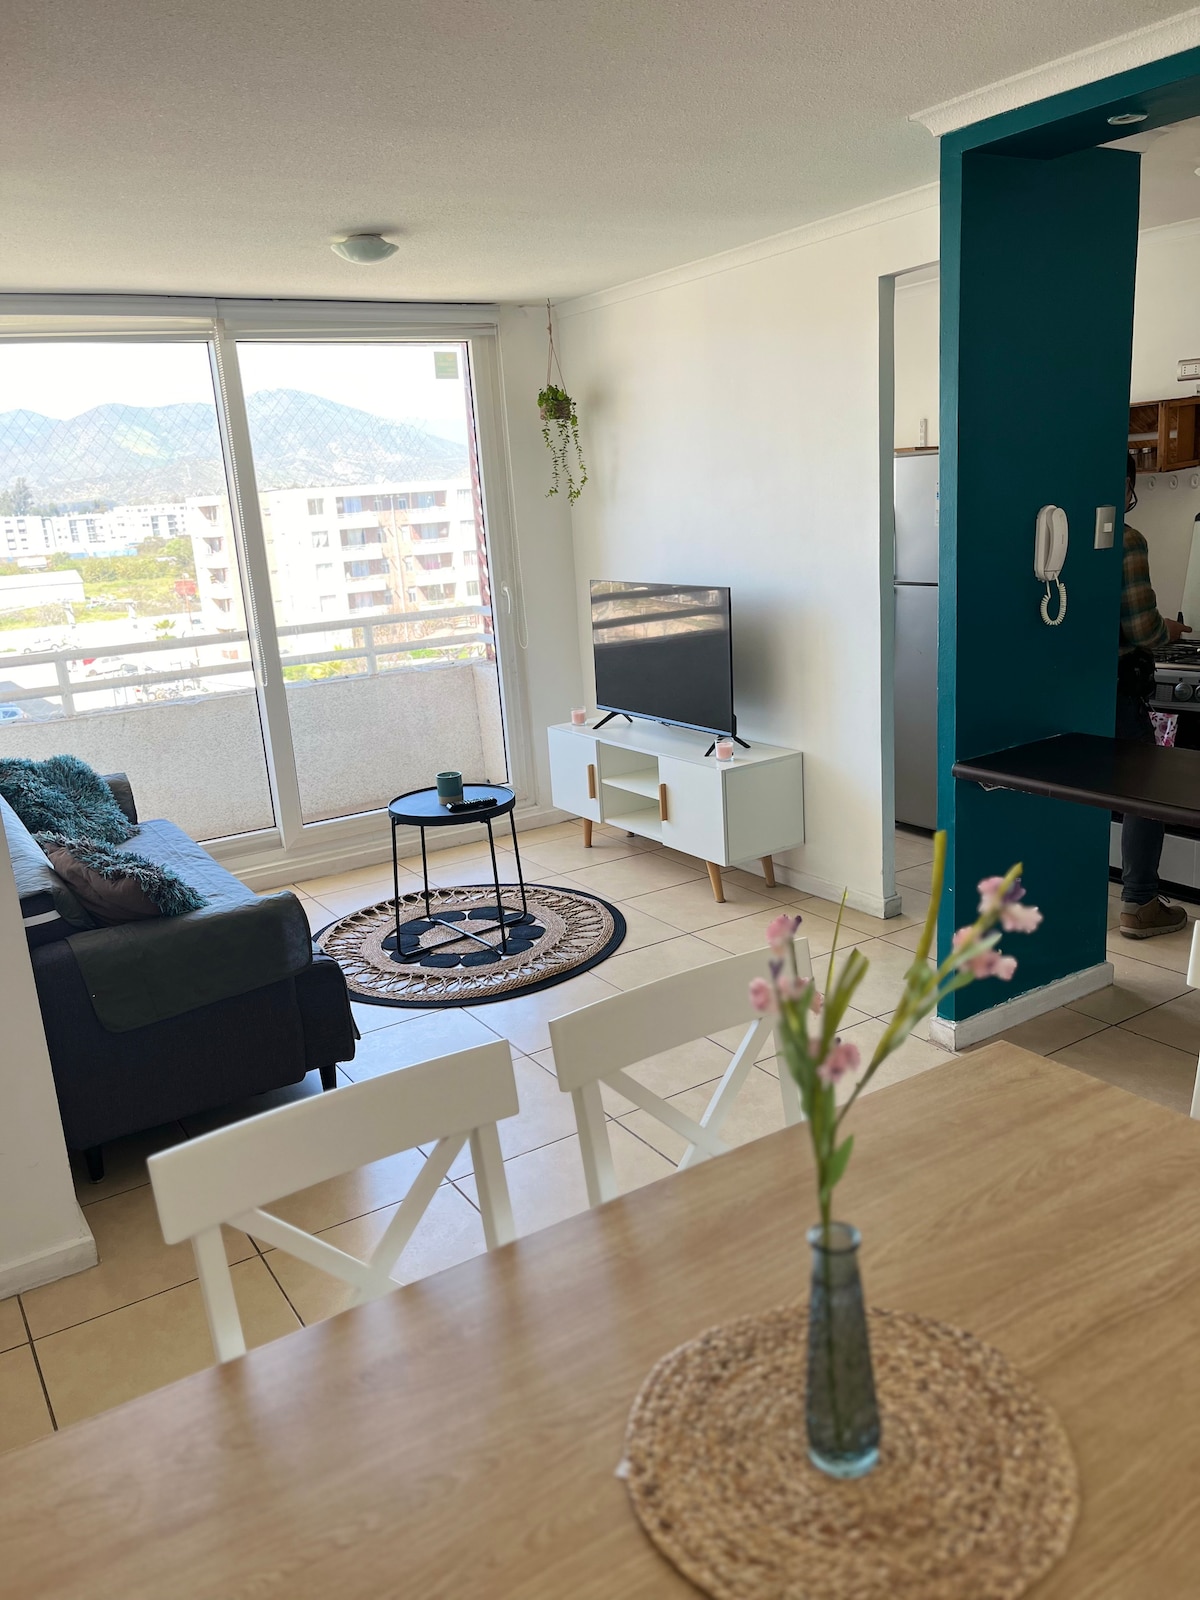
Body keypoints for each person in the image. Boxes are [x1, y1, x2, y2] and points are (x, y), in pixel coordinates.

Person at [1117, 451, 1189, 938]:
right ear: (1126, 485)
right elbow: (1142, 628)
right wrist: (1175, 632)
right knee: (1146, 788)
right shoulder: (1126, 540)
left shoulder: (1055, 533)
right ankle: (1139, 902)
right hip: (1117, 686)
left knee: (1075, 786)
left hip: (1065, 688)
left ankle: (1066, 893)